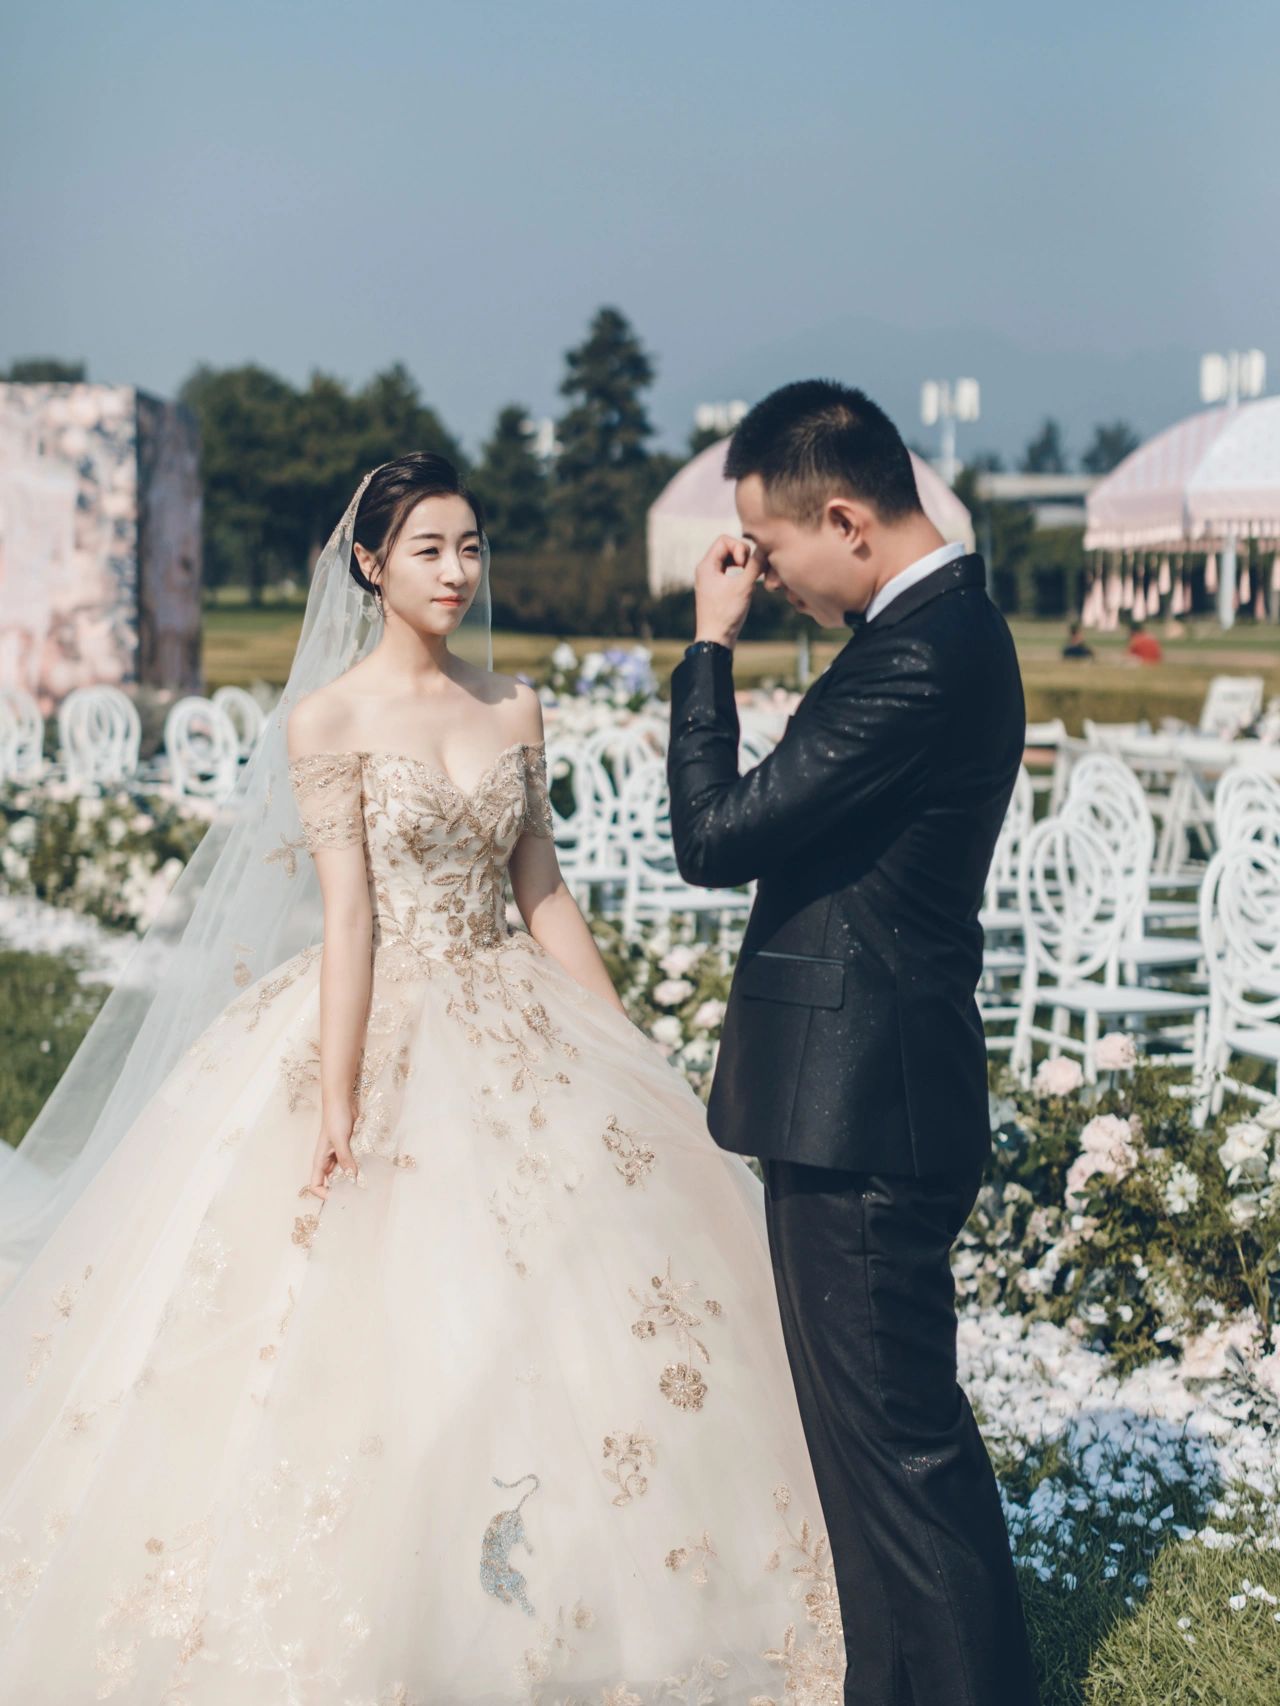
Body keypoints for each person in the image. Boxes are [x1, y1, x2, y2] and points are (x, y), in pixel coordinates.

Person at [0, 454, 845, 1702]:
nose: (457, 572)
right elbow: (348, 918)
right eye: (429, 549)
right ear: (370, 563)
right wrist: (339, 1099)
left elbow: (541, 893)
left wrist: (626, 1051)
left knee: (584, 1313)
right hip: (382, 1008)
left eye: (470, 546)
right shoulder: (328, 719)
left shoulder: (513, 706)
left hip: (514, 1009)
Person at [668, 381, 1039, 1706]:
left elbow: (714, 833)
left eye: (772, 548)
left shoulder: (916, 656)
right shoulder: (932, 632)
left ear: (845, 518)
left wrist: (708, 649)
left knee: (897, 1455)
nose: (764, 575)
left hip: (864, 1106)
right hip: (862, 1093)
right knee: (877, 1454)